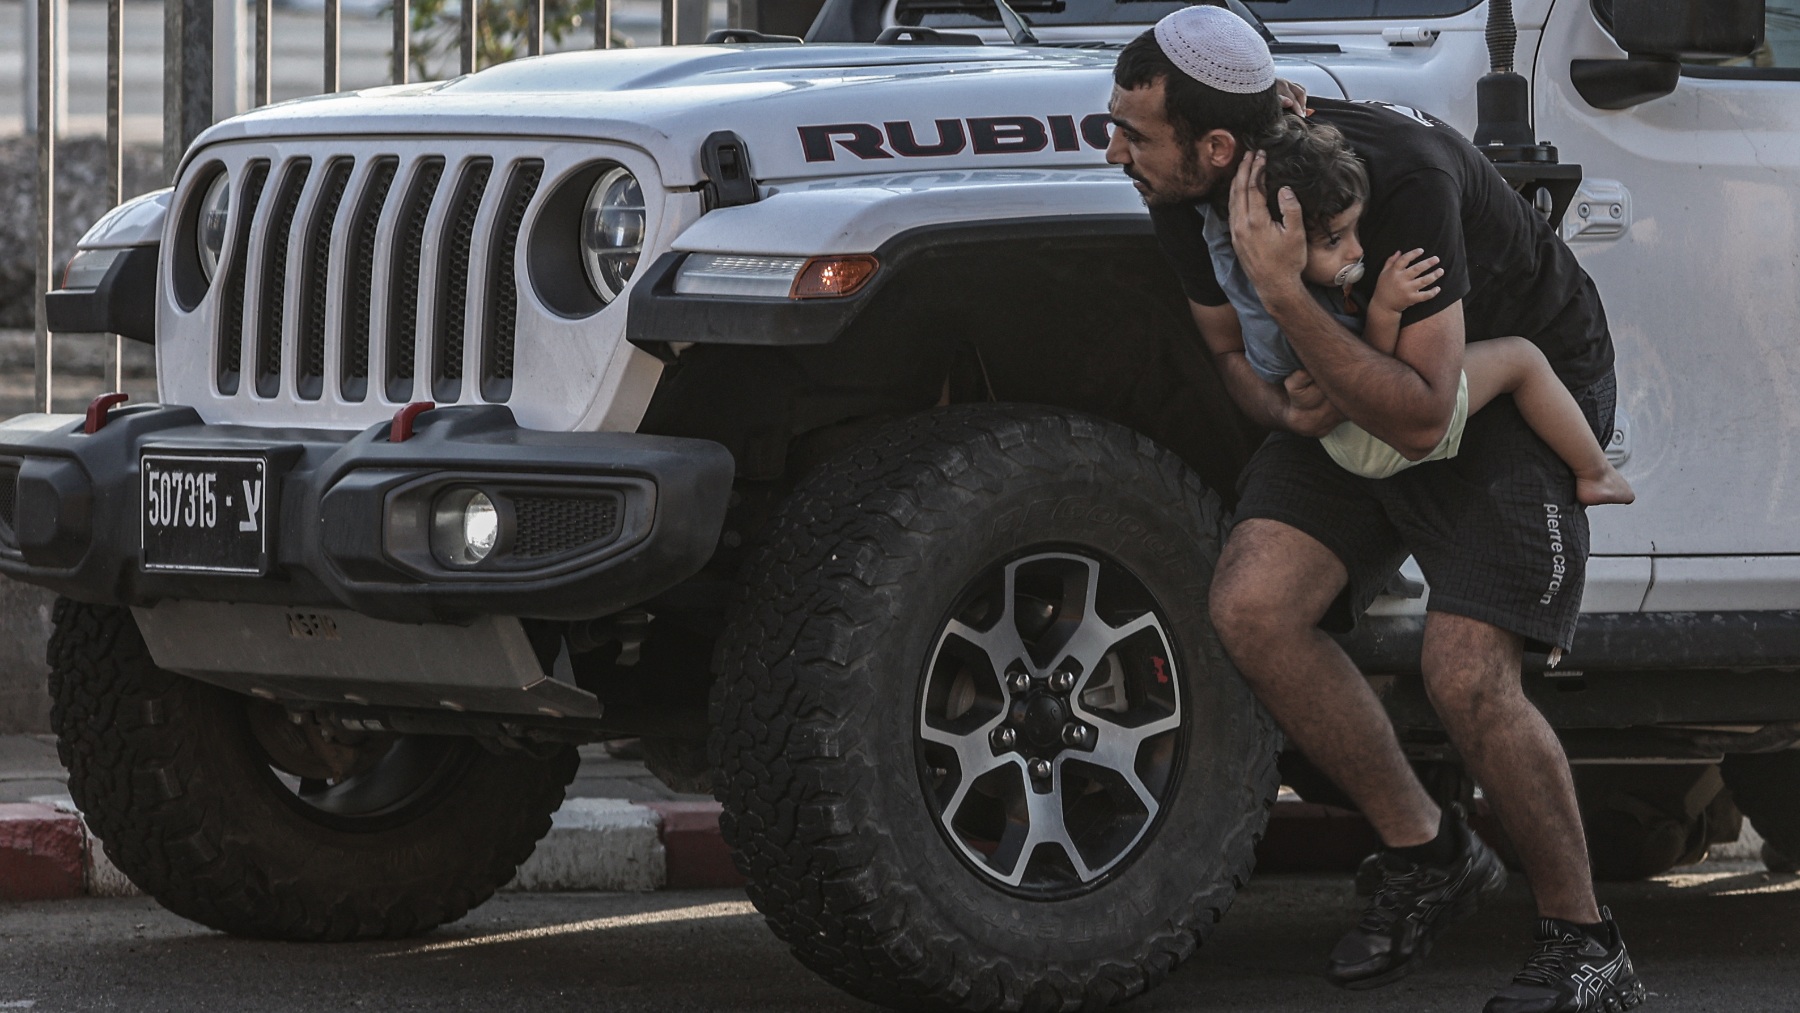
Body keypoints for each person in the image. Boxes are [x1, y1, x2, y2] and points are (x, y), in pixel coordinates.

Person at [1104, 6, 1648, 1012]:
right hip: (1354, 387)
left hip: (1501, 394)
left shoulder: (1395, 177)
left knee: (1466, 672)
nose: (1113, 150)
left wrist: (1293, 301)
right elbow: (1231, 352)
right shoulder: (1178, 190)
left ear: (1217, 145)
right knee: (1254, 606)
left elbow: (1421, 415)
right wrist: (1285, 400)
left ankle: (1590, 945)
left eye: (1134, 133)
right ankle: (1428, 850)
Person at [1213, 114, 1634, 505]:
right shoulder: (1295, 305)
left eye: (1355, 230)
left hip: (1347, 442)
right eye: (1333, 240)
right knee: (1521, 359)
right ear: (1284, 244)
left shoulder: (1264, 285)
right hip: (1371, 438)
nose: (1358, 249)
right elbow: (1374, 370)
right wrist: (1384, 308)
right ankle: (1595, 471)